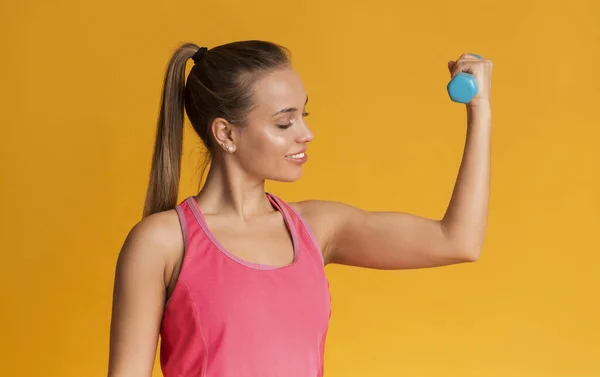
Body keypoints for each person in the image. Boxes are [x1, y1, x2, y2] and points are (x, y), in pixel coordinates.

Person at [107, 40, 492, 377]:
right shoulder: (162, 242)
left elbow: (458, 241)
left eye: (302, 116)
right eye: (284, 122)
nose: (305, 134)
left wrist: (480, 110)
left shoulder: (317, 228)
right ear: (225, 133)